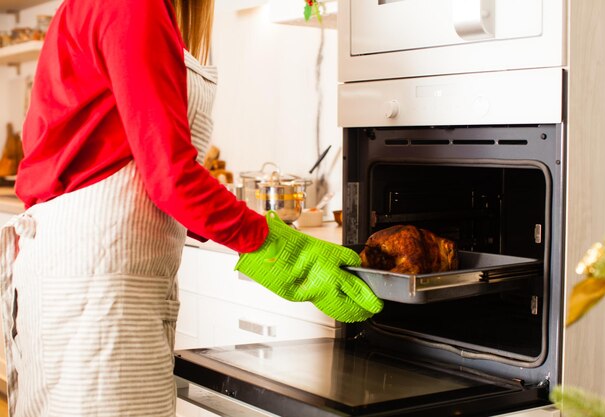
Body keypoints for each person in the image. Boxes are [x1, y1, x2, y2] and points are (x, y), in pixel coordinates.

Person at [0, 0, 383, 416]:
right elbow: (171, 179)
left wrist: (238, 228)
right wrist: (289, 253)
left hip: (100, 265)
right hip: (98, 277)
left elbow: (152, 174)